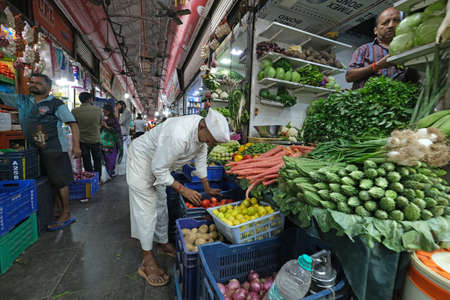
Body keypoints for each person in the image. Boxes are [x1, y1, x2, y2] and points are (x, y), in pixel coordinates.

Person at [126, 109, 230, 287]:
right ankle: (147, 260)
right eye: (211, 139)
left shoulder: (201, 132)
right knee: (146, 209)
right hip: (141, 161)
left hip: (160, 164)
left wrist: (207, 187)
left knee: (161, 204)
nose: (211, 143)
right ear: (203, 126)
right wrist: (183, 190)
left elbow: (200, 158)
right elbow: (158, 169)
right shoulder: (178, 134)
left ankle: (163, 243)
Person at [0, 73, 81, 230]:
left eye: (38, 83)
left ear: (48, 88)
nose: (33, 84)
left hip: (54, 149)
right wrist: (19, 73)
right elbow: (7, 94)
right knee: (51, 181)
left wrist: (76, 146)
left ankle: (66, 213)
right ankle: (57, 209)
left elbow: (73, 124)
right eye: (32, 82)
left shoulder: (55, 104)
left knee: (60, 181)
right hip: (34, 150)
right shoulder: (23, 100)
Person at [346, 7, 407, 89]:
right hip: (365, 100)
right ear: (375, 30)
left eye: (396, 21)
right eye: (385, 22)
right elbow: (349, 76)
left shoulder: (407, 49)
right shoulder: (364, 49)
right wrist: (377, 66)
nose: (391, 25)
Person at [71, 92, 102, 179]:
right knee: (97, 160)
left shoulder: (74, 111)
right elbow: (100, 123)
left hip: (82, 140)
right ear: (89, 99)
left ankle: (89, 178)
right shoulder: (98, 110)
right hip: (95, 139)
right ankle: (97, 179)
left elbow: (73, 125)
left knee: (86, 161)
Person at [101, 104, 123, 179]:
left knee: (110, 158)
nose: (103, 112)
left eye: (104, 111)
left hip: (111, 142)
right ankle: (108, 173)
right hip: (104, 142)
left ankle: (109, 173)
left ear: (108, 111)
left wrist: (105, 126)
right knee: (107, 158)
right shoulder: (105, 118)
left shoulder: (113, 119)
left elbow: (115, 131)